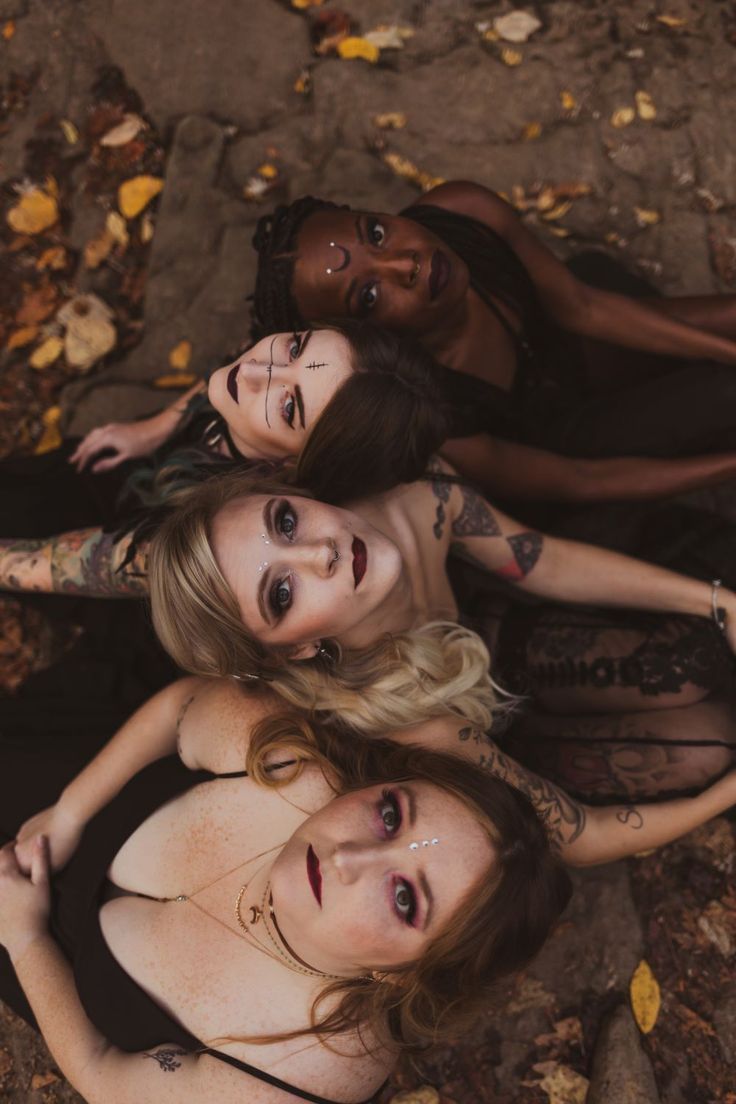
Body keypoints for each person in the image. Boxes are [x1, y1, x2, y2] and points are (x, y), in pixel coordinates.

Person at [0, 677, 571, 1104]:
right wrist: (71, 812)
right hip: (62, 789)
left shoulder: (301, 1070)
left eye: (405, 899)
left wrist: (23, 938)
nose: (348, 858)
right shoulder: (292, 764)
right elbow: (181, 712)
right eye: (392, 816)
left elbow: (103, 1073)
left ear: (405, 973)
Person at [147, 465, 736, 796]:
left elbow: (544, 561)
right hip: (498, 762)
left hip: (499, 644)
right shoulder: (366, 716)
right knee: (711, 745)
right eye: (281, 592)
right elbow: (560, 831)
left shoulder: (417, 500)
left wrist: (717, 603)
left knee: (693, 661)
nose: (320, 552)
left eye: (286, 521)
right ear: (295, 648)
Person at [250, 185, 736, 509]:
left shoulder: (462, 212)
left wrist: (722, 348)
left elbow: (583, 307)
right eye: (370, 296)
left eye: (375, 233)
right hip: (567, 440)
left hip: (572, 346)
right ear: (364, 339)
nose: (405, 263)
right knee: (720, 395)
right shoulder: (433, 412)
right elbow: (581, 480)